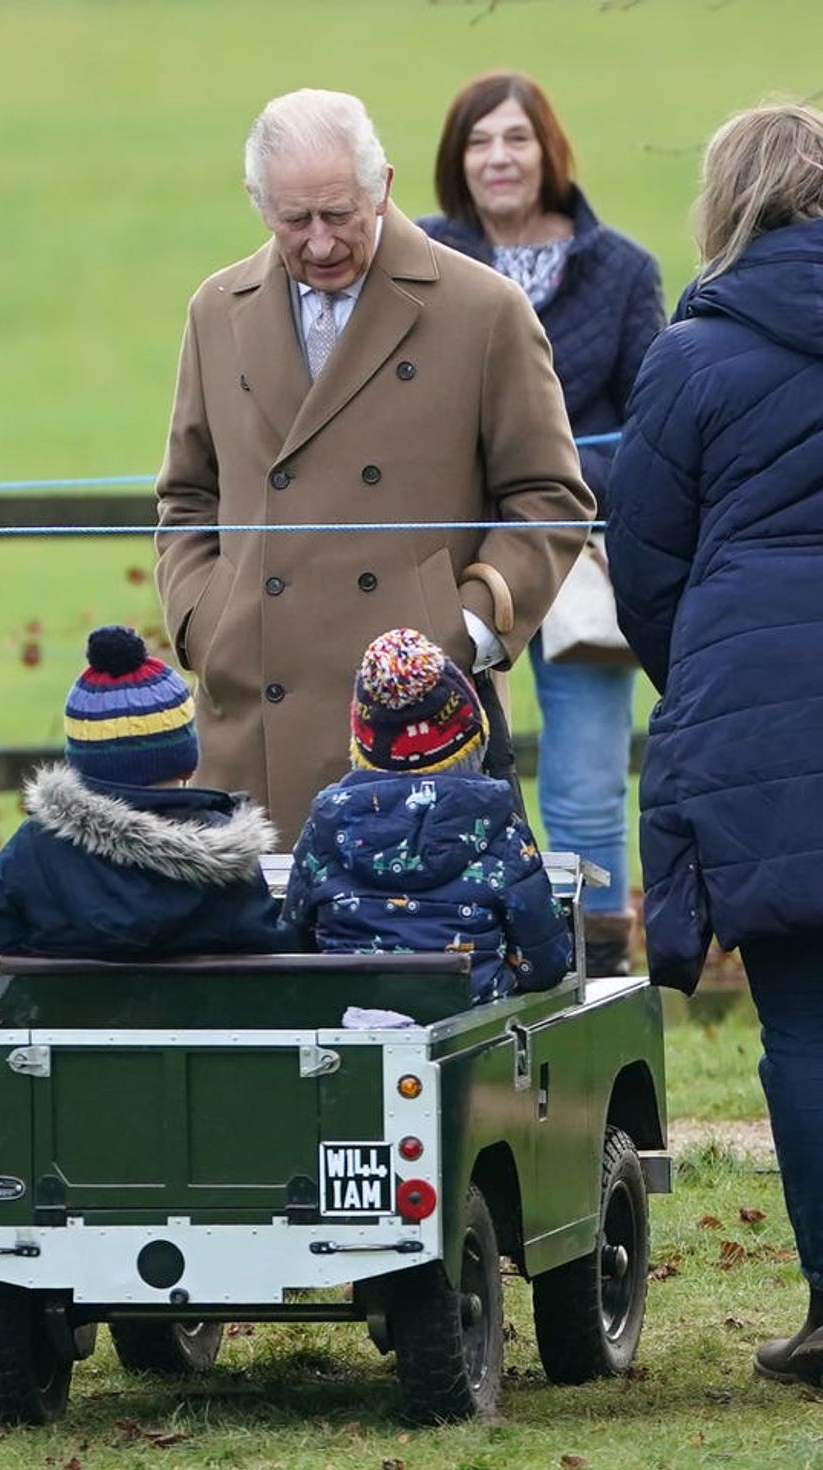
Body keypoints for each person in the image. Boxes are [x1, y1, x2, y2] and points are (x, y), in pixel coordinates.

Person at [154, 87, 595, 851]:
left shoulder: (483, 309)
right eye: (295, 221)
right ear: (258, 202)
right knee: (260, 927)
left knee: (408, 924)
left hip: (419, 719)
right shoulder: (216, 310)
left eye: (339, 215)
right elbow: (189, 496)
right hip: (252, 718)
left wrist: (463, 631)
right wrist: (206, 620)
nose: (321, 244)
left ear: (382, 187)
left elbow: (549, 496)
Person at [606, 103, 823, 1386]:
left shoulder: (689, 356)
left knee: (802, 1025)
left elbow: (643, 567)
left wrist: (706, 687)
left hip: (754, 707)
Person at [417, 73, 666, 977]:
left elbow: (652, 430)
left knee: (588, 787)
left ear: (549, 150)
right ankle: (459, 962)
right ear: (457, 160)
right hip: (450, 561)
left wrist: (546, 489)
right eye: (480, 140)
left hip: (581, 563)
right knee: (441, 776)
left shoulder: (625, 271)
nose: (499, 158)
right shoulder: (416, 258)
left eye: (516, 138)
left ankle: (594, 981)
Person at [0, 626, 282, 993]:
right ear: (186, 761)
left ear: (81, 762)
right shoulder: (228, 855)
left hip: (64, 1028)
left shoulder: (32, 850)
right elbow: (269, 960)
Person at [281, 627, 572, 1002]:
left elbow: (294, 943)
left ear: (362, 746)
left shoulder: (323, 829)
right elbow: (545, 962)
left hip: (345, 1017)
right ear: (473, 739)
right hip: (472, 1020)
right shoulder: (502, 831)